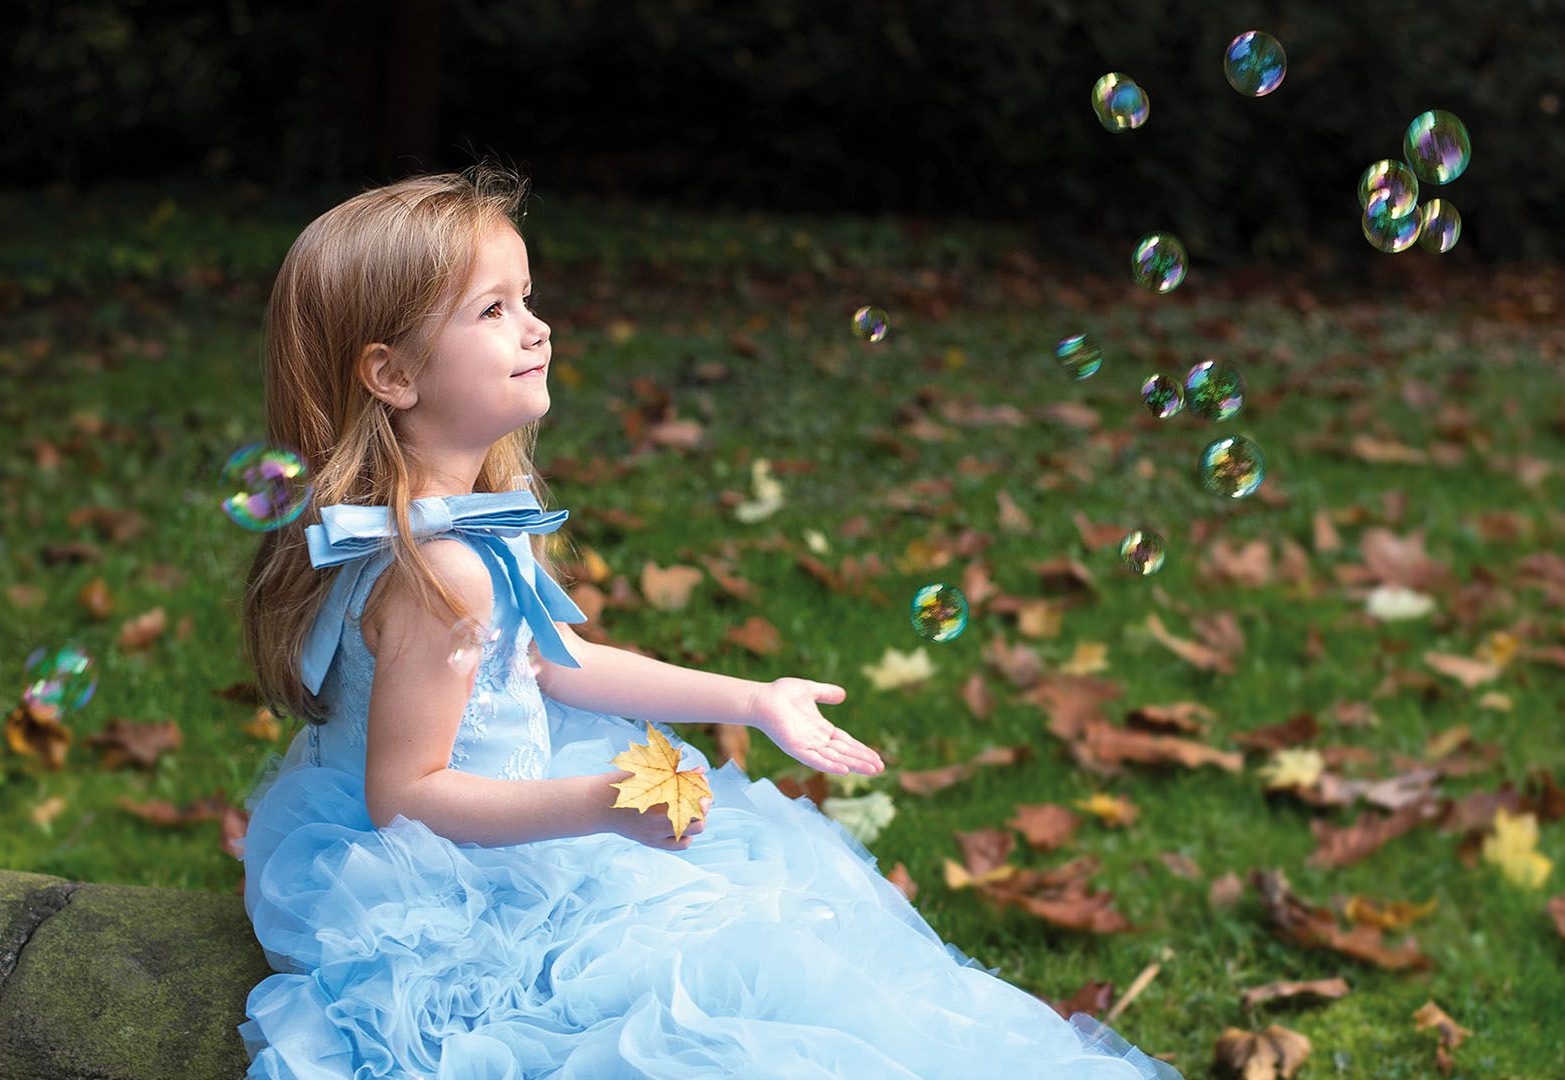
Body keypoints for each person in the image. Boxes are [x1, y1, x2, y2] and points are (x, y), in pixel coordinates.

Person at [233, 162, 1183, 1079]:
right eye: (494, 311)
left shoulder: (456, 527)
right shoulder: (441, 568)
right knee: (723, 987)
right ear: (393, 374)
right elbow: (408, 798)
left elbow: (555, 663)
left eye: (528, 298)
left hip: (495, 834)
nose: (537, 327)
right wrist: (597, 807)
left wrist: (754, 698)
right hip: (452, 885)